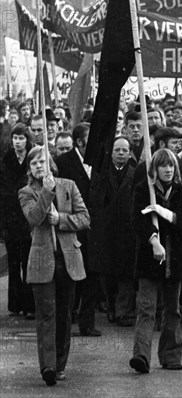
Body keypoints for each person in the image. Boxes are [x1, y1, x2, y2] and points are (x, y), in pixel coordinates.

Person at [18, 146, 90, 386]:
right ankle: (47, 366)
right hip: (42, 260)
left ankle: (60, 365)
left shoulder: (68, 185)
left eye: (43, 161)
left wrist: (62, 219)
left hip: (68, 259)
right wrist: (47, 192)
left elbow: (84, 218)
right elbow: (35, 217)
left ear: (51, 165)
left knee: (64, 314)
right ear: (29, 169)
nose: (39, 166)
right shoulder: (26, 192)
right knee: (46, 314)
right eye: (34, 163)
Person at [129, 149, 182, 373]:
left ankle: (171, 355)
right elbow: (137, 221)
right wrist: (153, 240)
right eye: (163, 166)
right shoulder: (143, 190)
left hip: (175, 259)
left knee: (172, 309)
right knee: (147, 308)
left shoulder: (180, 191)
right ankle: (141, 355)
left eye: (171, 166)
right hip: (150, 259)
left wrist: (165, 213)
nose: (168, 170)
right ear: (155, 169)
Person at [55, 123, 102, 337]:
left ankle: (87, 322)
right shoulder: (63, 163)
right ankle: (68, 316)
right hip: (73, 227)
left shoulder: (100, 161)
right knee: (73, 275)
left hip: (95, 227)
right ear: (80, 142)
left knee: (93, 274)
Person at [88, 137, 136, 327]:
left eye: (125, 150)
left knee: (126, 273)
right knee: (107, 273)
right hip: (106, 230)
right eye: (117, 150)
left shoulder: (135, 174)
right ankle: (111, 306)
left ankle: (123, 311)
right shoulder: (102, 174)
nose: (121, 153)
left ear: (130, 153)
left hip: (127, 231)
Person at [0, 123, 35, 318]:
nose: (17, 142)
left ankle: (29, 304)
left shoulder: (32, 159)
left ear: (27, 140)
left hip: (28, 218)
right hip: (11, 218)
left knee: (28, 262)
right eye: (15, 138)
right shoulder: (6, 160)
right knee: (14, 264)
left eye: (21, 138)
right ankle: (15, 303)